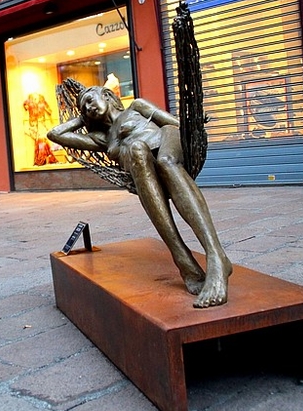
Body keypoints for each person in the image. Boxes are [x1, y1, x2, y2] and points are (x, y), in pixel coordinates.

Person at [47, 83, 232, 307]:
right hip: (144, 168)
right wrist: (82, 118)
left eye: (90, 101)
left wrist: (192, 131)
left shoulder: (136, 107)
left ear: (107, 96)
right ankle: (182, 258)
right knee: (136, 150)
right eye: (83, 108)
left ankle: (216, 256)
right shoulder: (102, 138)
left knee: (164, 161)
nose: (88, 108)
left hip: (168, 143)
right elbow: (55, 134)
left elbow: (172, 124)